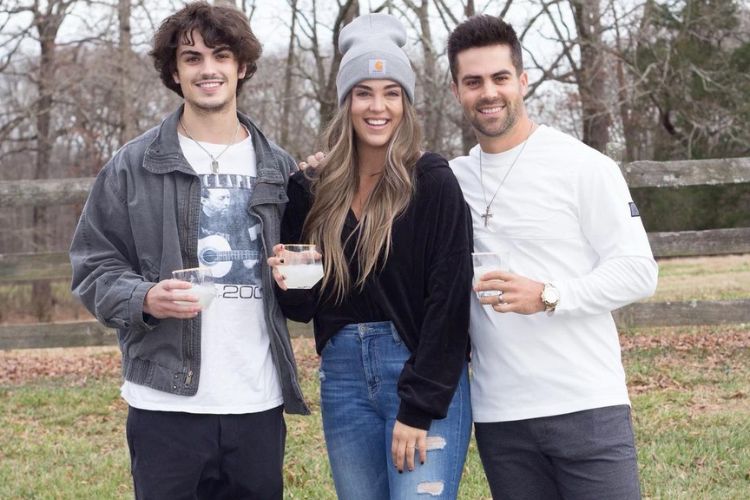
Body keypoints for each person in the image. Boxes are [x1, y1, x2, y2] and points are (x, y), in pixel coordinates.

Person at [69, 2, 308, 498]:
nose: (208, 69)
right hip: (165, 405)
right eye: (192, 58)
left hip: (256, 403)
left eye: (221, 55)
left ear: (241, 67)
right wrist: (144, 299)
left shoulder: (280, 169)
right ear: (174, 73)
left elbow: (307, 275)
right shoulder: (133, 166)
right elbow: (93, 265)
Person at [447, 15, 658, 499]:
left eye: (500, 78)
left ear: (522, 80)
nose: (489, 93)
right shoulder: (450, 179)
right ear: (457, 90)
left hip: (587, 406)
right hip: (501, 417)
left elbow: (639, 271)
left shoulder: (584, 166)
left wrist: (550, 294)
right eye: (473, 82)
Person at [268, 13, 473, 500]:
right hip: (342, 378)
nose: (377, 106)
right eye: (364, 92)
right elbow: (303, 307)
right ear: (345, 103)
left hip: (419, 369)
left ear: (406, 102)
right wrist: (286, 279)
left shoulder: (432, 181)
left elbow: (449, 303)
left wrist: (418, 407)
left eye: (391, 92)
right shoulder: (312, 188)